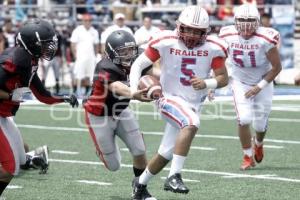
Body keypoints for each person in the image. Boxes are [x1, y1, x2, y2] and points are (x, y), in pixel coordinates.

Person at [129, 5, 228, 199]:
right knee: (191, 123)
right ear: (179, 26)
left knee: (166, 153)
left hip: (193, 103)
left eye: (197, 31)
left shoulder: (213, 47)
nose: (191, 34)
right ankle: (174, 176)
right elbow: (138, 64)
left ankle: (139, 185)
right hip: (168, 97)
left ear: (205, 32)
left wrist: (207, 83)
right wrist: (133, 91)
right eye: (188, 29)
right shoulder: (166, 41)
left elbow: (224, 78)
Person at [0, 19, 79, 196]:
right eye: (44, 44)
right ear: (31, 44)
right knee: (10, 167)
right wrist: (11, 96)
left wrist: (63, 98)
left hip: (4, 114)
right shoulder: (16, 59)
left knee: (21, 159)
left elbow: (42, 95)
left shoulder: (30, 60)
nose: (49, 47)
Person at [83, 30, 155, 200]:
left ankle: (139, 188)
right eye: (122, 52)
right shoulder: (104, 66)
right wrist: (134, 92)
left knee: (139, 149)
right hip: (99, 116)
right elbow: (116, 87)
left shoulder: (138, 60)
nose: (128, 55)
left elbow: (152, 73)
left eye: (130, 50)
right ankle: (101, 150)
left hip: (122, 111)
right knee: (113, 165)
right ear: (111, 53)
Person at [218, 4, 282, 170]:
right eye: (242, 20)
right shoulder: (227, 34)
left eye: (250, 20)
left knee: (260, 125)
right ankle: (247, 156)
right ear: (235, 21)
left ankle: (259, 143)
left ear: (258, 21)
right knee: (244, 118)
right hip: (239, 81)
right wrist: (212, 82)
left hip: (263, 81)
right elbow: (217, 59)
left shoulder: (266, 38)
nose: (246, 24)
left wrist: (259, 86)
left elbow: (276, 68)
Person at [70, 14, 99, 97]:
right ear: (83, 21)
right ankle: (74, 92)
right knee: (77, 75)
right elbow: (73, 44)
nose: (88, 22)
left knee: (89, 76)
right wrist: (75, 56)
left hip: (91, 57)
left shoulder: (94, 31)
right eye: (86, 20)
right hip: (80, 57)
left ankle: (87, 93)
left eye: (89, 20)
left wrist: (95, 56)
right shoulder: (77, 30)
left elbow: (96, 45)